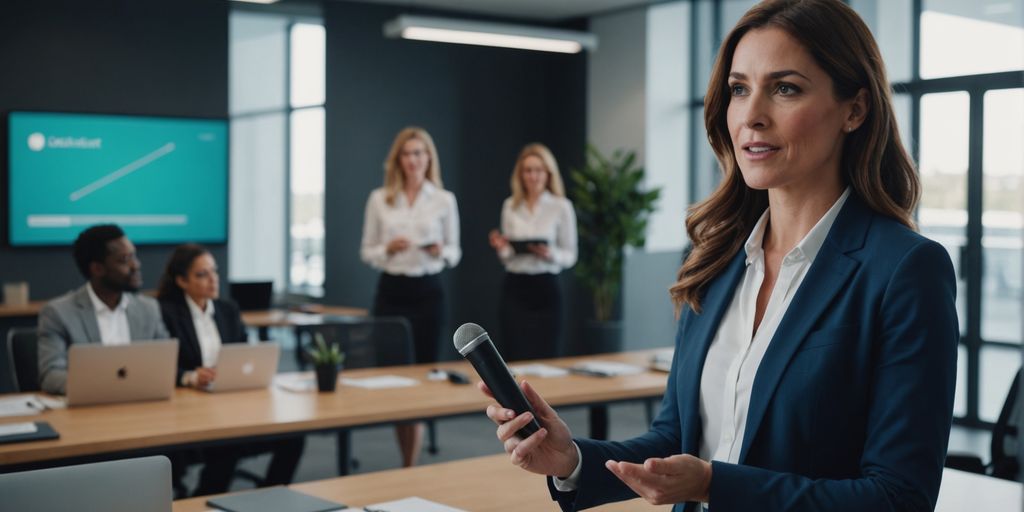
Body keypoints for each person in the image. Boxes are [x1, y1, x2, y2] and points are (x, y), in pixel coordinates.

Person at [479, 1, 959, 511]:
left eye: (785, 88)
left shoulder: (906, 271)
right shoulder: (715, 259)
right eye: (738, 89)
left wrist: (714, 485)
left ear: (855, 109)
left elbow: (899, 498)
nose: (751, 116)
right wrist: (571, 459)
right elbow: (676, 439)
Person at [157, 244, 305, 497]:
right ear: (182, 280)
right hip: (189, 412)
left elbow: (244, 352)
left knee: (293, 436)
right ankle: (204, 501)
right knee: (227, 446)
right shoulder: (165, 313)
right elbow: (158, 365)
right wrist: (190, 376)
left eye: (214, 271)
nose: (213, 279)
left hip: (231, 402)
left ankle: (268, 498)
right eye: (202, 274)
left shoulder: (227, 310)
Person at [360, 126, 461, 467]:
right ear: (398, 160)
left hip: (428, 292)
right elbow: (367, 251)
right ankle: (407, 455)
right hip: (391, 290)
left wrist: (439, 251)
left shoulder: (444, 200)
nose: (414, 159)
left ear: (428, 158)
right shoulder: (380, 198)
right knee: (395, 378)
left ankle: (409, 463)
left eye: (419, 153)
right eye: (407, 153)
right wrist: (386, 248)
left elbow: (455, 251)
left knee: (421, 376)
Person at [37, 224, 169, 395]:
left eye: (134, 256)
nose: (135, 265)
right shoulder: (58, 313)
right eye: (124, 260)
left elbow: (165, 363)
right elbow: (51, 375)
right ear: (97, 269)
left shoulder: (148, 309)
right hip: (89, 411)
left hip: (142, 406)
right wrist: (105, 387)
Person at [488, 143, 577, 363]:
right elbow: (508, 256)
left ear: (548, 173)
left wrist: (550, 254)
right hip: (515, 287)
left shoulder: (561, 206)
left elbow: (570, 255)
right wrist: (502, 248)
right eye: (528, 170)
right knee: (514, 354)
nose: (533, 176)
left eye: (538, 170)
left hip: (546, 287)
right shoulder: (510, 205)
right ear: (520, 174)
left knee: (547, 355)